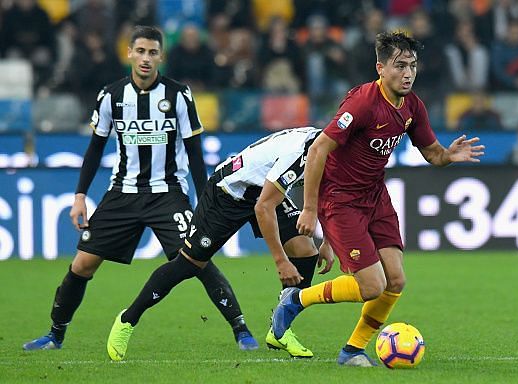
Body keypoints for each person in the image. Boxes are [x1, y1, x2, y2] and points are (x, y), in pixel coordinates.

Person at [23, 25, 258, 352]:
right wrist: (79, 196)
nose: (146, 58)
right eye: (141, 51)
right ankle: (55, 334)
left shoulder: (178, 95)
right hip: (123, 193)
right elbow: (94, 149)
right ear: (129, 53)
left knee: (196, 259)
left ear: (161, 56)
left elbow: (194, 152)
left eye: (152, 52)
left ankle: (241, 330)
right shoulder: (111, 95)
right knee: (82, 265)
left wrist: (206, 199)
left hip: (168, 194)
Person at [271, 31, 485, 367]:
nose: (408, 73)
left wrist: (448, 156)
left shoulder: (412, 105)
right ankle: (297, 299)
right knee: (371, 286)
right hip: (340, 201)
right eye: (400, 66)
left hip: (375, 196)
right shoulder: (362, 104)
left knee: (396, 280)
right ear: (380, 68)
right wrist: (310, 208)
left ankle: (352, 350)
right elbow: (318, 150)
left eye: (412, 65)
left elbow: (432, 153)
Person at [106, 126, 334, 361]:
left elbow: (329, 191)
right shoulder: (302, 153)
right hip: (229, 192)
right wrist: (281, 261)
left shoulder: (333, 147)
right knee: (189, 264)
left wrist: (327, 241)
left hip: (263, 190)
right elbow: (263, 208)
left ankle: (281, 330)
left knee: (306, 251)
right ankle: (127, 319)